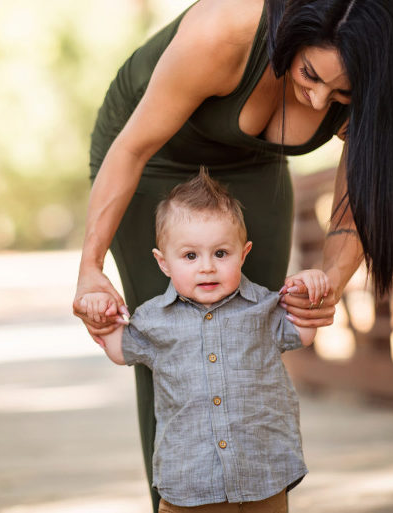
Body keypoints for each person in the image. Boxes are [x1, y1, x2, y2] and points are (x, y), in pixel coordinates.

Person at [74, 0, 393, 509]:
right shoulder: (223, 31)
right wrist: (90, 268)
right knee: (174, 345)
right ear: (294, 33)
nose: (316, 100)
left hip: (252, 164)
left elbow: (361, 201)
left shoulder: (372, 79)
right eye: (310, 74)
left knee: (253, 334)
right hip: (152, 156)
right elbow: (131, 149)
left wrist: (327, 282)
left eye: (342, 94)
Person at [82, 168, 330, 511]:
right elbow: (119, 349)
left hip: (263, 474)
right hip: (191, 482)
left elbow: (302, 331)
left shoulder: (264, 306)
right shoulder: (154, 319)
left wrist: (312, 285)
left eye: (220, 253)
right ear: (163, 262)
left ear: (243, 254)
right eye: (190, 256)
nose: (207, 267)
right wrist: (101, 314)